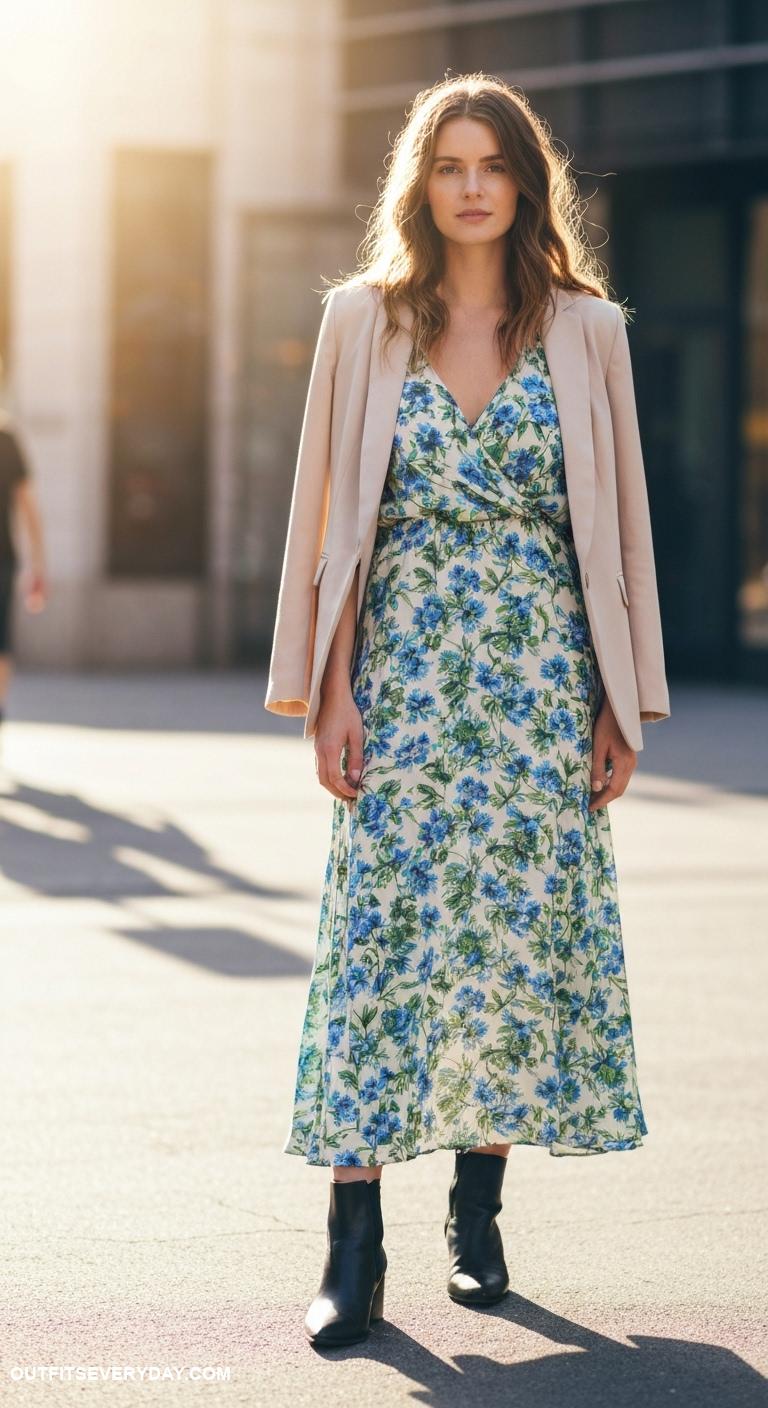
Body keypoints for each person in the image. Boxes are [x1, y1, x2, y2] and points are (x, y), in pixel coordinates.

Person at [264, 73, 670, 1348]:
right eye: (451, 164)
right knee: (380, 945)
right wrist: (328, 690)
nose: (475, 184)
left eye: (495, 163)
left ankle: (478, 1218)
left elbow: (620, 536)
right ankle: (352, 1240)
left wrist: (620, 701)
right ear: (422, 184)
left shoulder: (588, 330)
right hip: (399, 678)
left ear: (525, 181)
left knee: (501, 945)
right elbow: (329, 518)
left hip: (541, 679)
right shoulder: (361, 320)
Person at [0, 409, 47, 746]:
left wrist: (39, 564)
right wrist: (39, 563)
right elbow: (28, 506)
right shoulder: (8, 441)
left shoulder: (8, 441)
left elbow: (27, 505)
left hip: (2, 559)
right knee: (1, 640)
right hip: (3, 558)